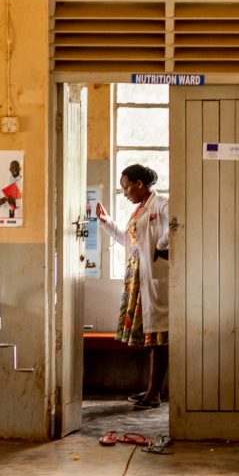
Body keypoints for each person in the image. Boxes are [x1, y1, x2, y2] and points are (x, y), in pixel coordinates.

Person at [96, 164, 170, 409]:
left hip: (153, 275)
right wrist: (106, 223)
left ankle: (155, 394)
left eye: (126, 187)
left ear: (139, 184)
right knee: (150, 336)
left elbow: (176, 227)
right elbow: (128, 241)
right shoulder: (139, 211)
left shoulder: (161, 204)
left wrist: (160, 247)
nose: (125, 192)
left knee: (159, 336)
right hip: (137, 275)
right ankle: (152, 389)